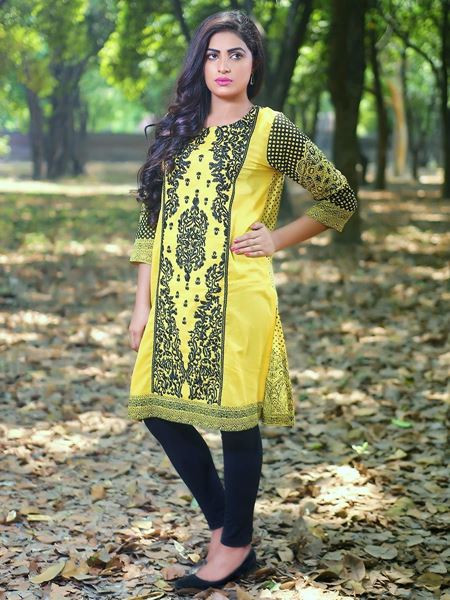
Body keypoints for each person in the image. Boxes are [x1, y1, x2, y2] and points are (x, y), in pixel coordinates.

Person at [127, 9, 357, 594]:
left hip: (238, 295)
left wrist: (277, 238)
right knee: (156, 409)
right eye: (213, 55)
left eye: (236, 54)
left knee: (236, 420)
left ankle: (232, 545)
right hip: (174, 295)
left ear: (254, 66)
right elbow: (151, 221)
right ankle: (229, 529)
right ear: (199, 64)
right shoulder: (177, 129)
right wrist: (140, 303)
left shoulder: (270, 128)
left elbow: (339, 196)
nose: (223, 66)